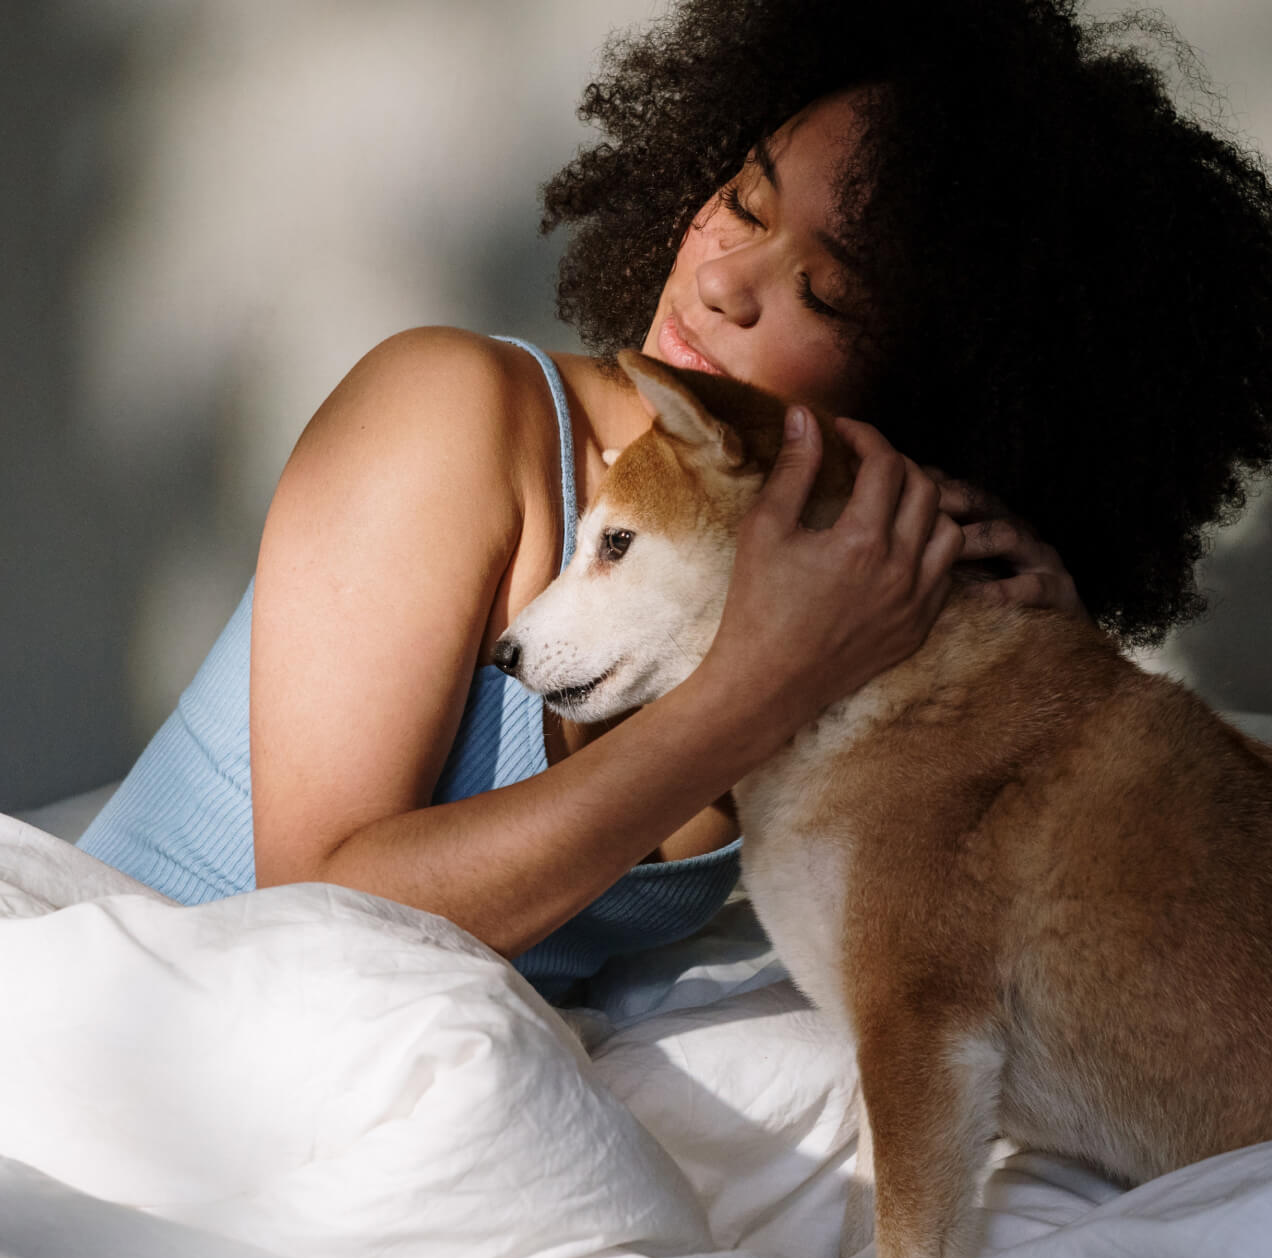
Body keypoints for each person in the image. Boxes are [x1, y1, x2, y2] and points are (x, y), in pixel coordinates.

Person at [79, 0, 1272, 1004]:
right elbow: (316, 918)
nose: (722, 282)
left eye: (825, 292)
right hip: (147, 1041)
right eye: (743, 203)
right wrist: (757, 690)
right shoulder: (450, 413)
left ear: (945, 392)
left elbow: (999, 962)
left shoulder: (865, 611)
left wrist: (1031, 693)